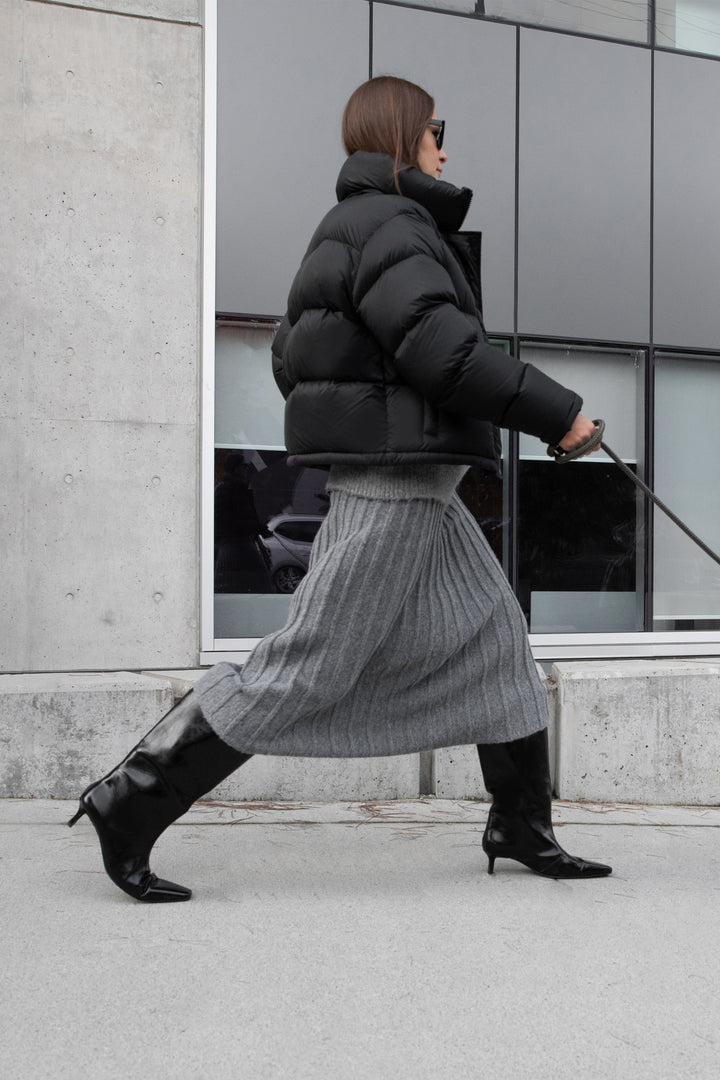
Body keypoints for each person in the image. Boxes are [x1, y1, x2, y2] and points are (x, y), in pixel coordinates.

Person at [69, 76, 611, 902]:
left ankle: (520, 824)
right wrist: (560, 414)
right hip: (394, 490)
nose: (445, 143)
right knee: (306, 668)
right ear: (403, 134)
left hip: (421, 487)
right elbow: (446, 355)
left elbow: (292, 354)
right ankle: (130, 801)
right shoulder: (392, 223)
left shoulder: (358, 225)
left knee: (500, 646)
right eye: (437, 128)